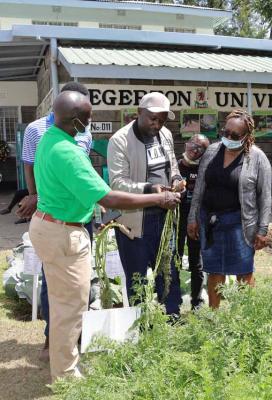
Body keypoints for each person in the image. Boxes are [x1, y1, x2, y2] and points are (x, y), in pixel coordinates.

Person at [29, 90, 180, 383]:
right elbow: (109, 198)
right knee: (70, 309)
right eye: (87, 116)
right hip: (63, 231)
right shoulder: (68, 152)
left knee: (67, 304)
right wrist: (155, 198)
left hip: (53, 225)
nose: (91, 119)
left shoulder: (51, 137)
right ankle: (65, 374)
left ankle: (65, 362)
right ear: (74, 121)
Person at [17, 81, 93, 362]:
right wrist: (35, 195)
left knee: (78, 281)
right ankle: (53, 335)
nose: (88, 119)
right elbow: (29, 164)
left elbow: (82, 166)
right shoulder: (38, 130)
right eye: (83, 112)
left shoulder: (83, 130)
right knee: (55, 283)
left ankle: (74, 336)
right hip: (55, 214)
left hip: (80, 215)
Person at [107, 92, 185, 317]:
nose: (157, 124)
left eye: (162, 120)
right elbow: (118, 183)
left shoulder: (165, 135)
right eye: (152, 118)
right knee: (137, 276)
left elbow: (172, 167)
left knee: (168, 270)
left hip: (164, 217)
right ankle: (139, 321)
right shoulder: (120, 140)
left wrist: (177, 181)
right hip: (135, 221)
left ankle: (172, 316)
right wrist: (152, 189)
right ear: (138, 113)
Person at [187, 109, 272, 309]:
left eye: (235, 135)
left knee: (244, 273)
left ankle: (245, 319)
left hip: (240, 225)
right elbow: (200, 186)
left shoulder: (258, 159)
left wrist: (262, 230)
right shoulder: (211, 151)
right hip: (211, 223)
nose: (228, 138)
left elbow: (265, 197)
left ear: (246, 136)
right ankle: (214, 318)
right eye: (225, 132)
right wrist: (193, 217)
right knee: (215, 272)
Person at [177, 134, 210, 309]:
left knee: (196, 262)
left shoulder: (205, 170)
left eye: (199, 148)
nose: (193, 149)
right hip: (176, 219)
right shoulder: (174, 166)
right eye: (191, 144)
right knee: (174, 259)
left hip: (196, 222)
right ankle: (173, 300)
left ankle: (197, 301)